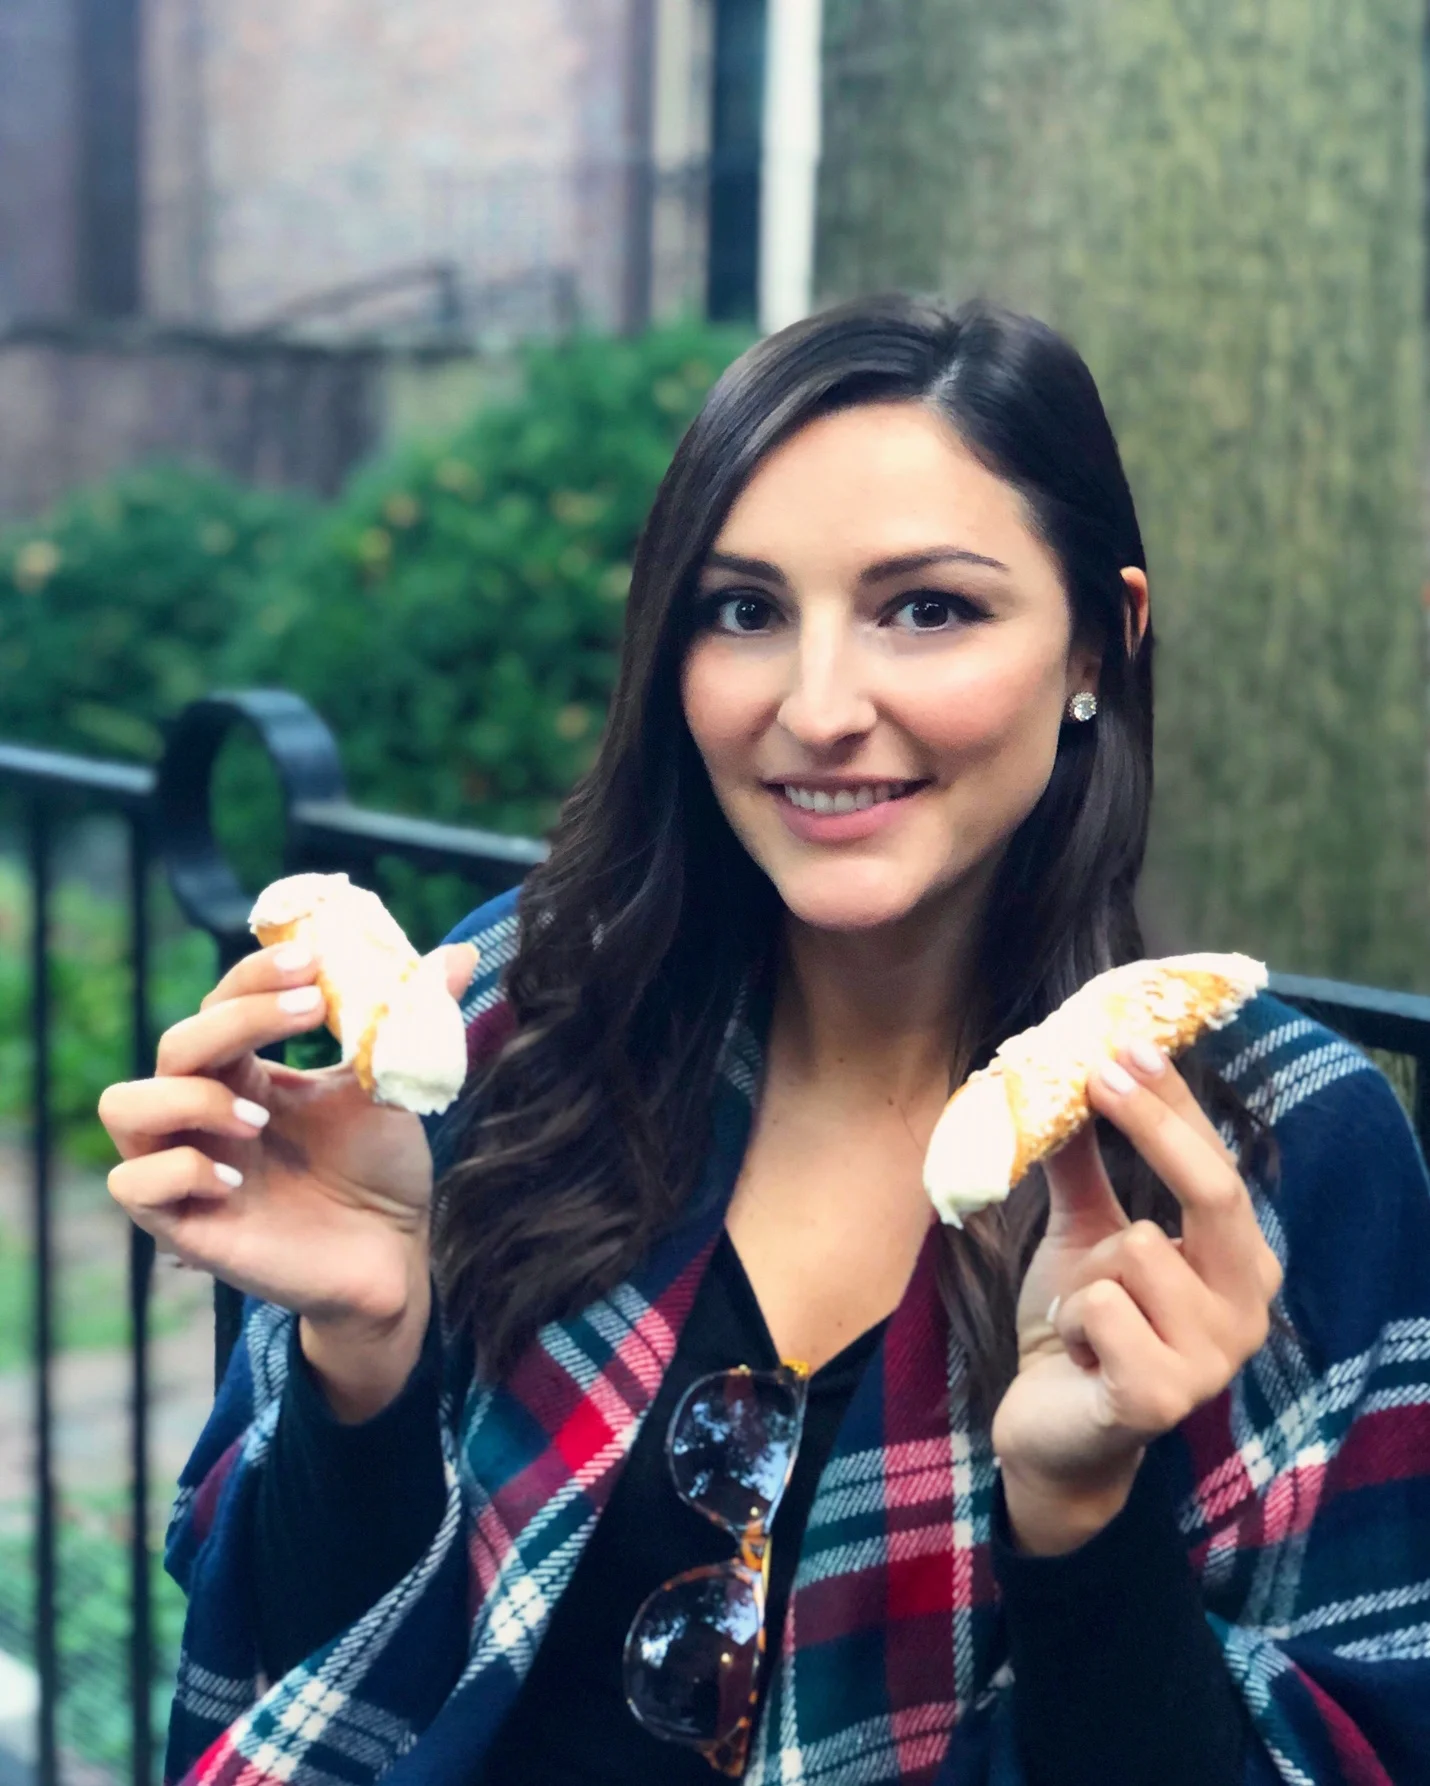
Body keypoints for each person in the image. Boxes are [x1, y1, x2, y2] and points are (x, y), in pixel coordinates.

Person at [100, 297, 1430, 1786]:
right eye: (741, 609)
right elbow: (312, 1670)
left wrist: (1078, 1517)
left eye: (927, 606)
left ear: (1097, 647)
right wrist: (366, 1350)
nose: (814, 708)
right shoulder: (506, 1028)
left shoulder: (1272, 1150)